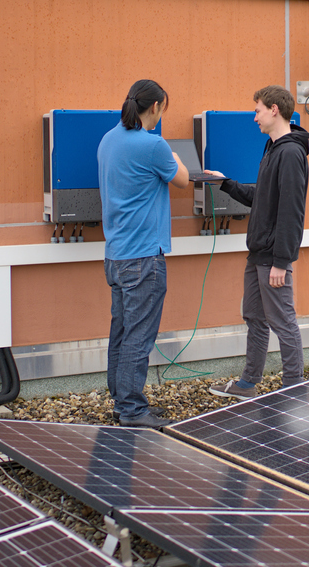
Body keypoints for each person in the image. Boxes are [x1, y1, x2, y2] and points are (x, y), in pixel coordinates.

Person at [207, 85, 309, 399]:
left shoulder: (291, 153)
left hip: (272, 258)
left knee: (283, 322)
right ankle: (248, 384)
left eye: (258, 110)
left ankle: (293, 390)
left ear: (274, 110)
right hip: (258, 254)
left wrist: (282, 261)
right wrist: (225, 183)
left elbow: (292, 211)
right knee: (254, 317)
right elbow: (263, 199)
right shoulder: (273, 148)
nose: (255, 117)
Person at [97, 79, 188, 427]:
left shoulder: (109, 140)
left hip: (116, 255)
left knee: (121, 332)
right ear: (157, 108)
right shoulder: (154, 146)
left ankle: (123, 403)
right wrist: (176, 157)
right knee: (139, 336)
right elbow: (181, 179)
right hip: (144, 258)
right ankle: (133, 411)